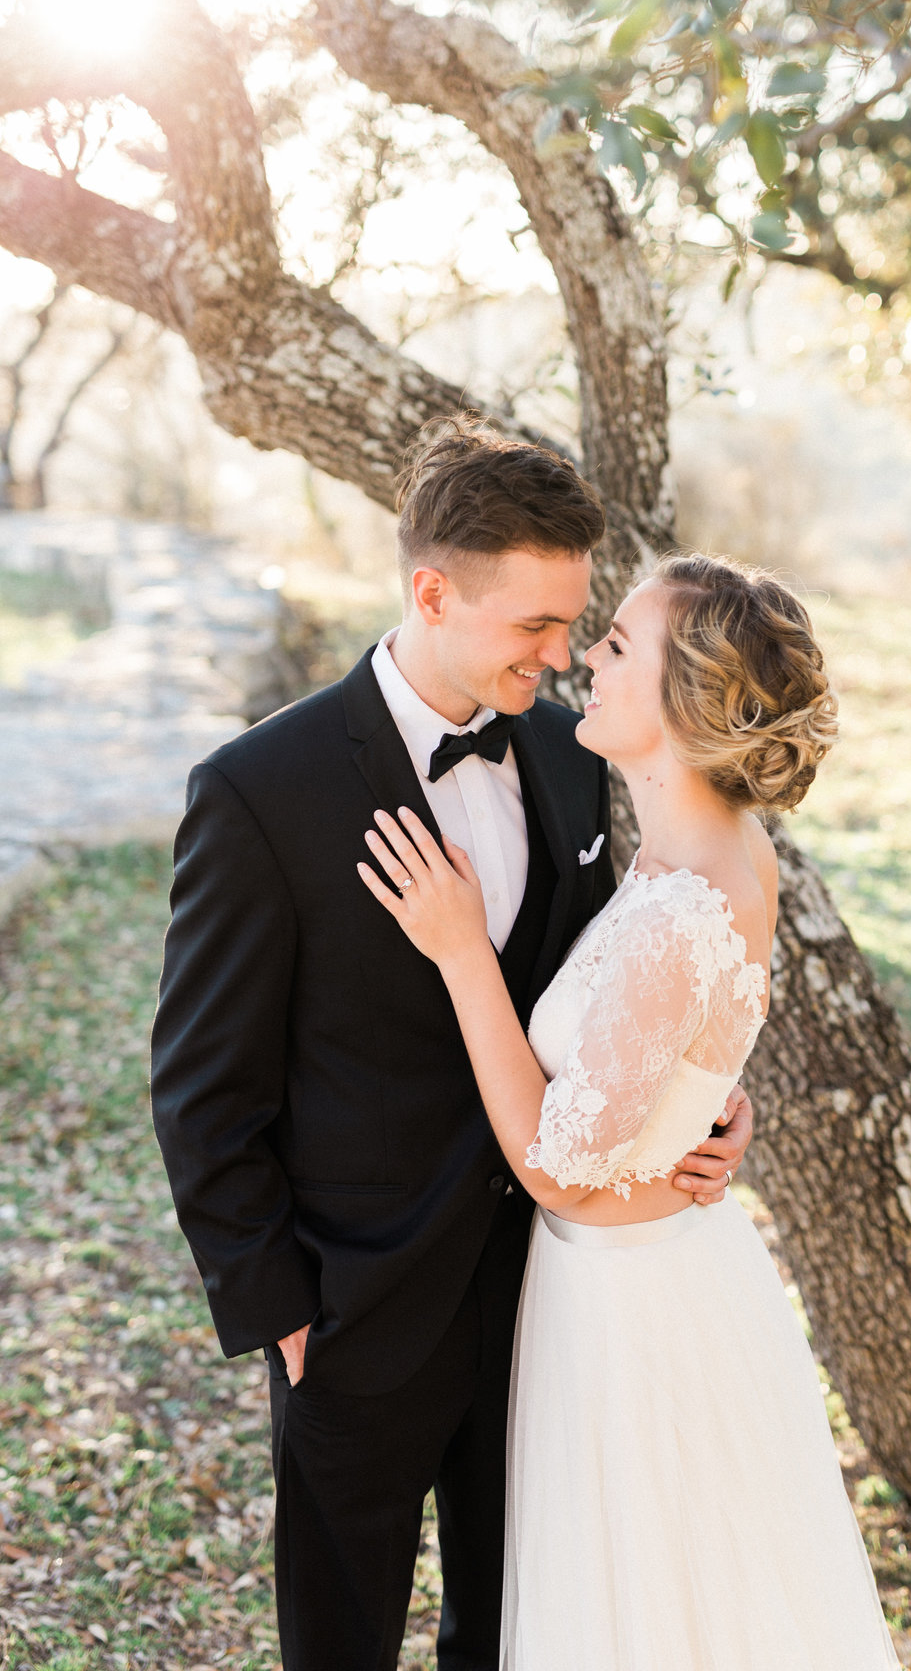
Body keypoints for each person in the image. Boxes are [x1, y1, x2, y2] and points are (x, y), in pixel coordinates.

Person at [149, 418, 752, 1671]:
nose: (566, 654)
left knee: (520, 1631)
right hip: (355, 1306)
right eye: (534, 626)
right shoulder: (263, 791)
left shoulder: (567, 756)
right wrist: (282, 1313)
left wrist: (701, 1112)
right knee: (343, 1638)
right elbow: (203, 1089)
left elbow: (618, 992)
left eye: (575, 621)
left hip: (550, 1292)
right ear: (431, 591)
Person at [360, 551, 901, 1671]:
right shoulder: (705, 852)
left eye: (616, 649)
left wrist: (463, 953)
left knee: (647, 1613)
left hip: (629, 1310)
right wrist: (704, 1099)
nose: (584, 664)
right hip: (656, 1271)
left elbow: (563, 1170)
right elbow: (668, 1042)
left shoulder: (682, 900)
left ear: (685, 699)